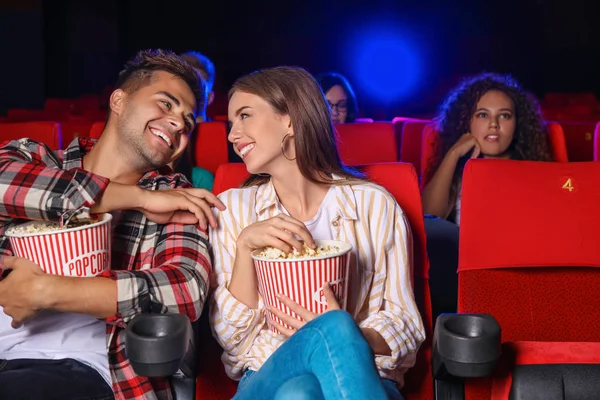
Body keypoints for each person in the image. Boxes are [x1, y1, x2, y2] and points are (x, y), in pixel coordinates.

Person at [0, 49, 225, 400]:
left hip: (87, 368)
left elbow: (185, 289)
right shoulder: (38, 159)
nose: (180, 124)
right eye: (166, 104)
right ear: (119, 100)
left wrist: (46, 292)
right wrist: (138, 198)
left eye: (188, 121)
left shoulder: (178, 196)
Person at [210, 66, 424, 399]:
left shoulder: (375, 205)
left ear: (291, 119)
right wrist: (244, 247)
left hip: (363, 375)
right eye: (231, 121)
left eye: (245, 115)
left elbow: (405, 327)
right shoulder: (231, 210)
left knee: (302, 390)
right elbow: (232, 343)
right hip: (265, 374)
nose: (232, 134)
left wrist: (341, 336)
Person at [422, 72, 553, 225]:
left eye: (504, 116)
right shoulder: (457, 172)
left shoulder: (535, 171)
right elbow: (428, 220)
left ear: (517, 125)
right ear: (466, 122)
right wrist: (453, 153)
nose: (494, 124)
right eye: (483, 115)